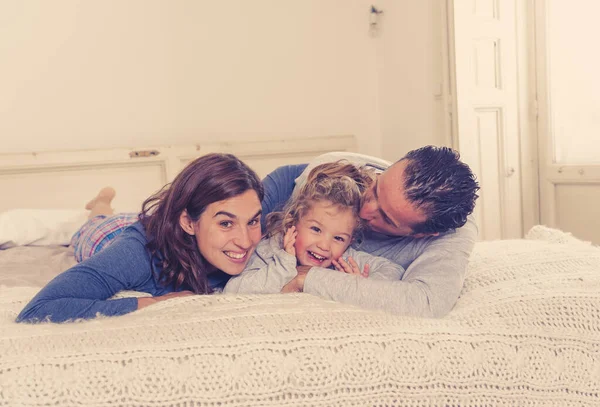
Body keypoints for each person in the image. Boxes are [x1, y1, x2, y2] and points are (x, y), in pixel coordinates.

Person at [16, 153, 264, 323]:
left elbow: (291, 176)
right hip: (109, 234)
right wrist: (155, 302)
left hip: (161, 222)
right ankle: (101, 202)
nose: (244, 241)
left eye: (253, 221)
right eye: (225, 223)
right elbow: (39, 308)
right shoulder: (135, 254)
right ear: (189, 222)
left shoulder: (249, 213)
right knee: (95, 222)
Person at [259, 146, 480, 318]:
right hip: (297, 185)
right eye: (375, 189)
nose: (364, 211)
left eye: (386, 217)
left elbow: (425, 303)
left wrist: (305, 277)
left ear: (422, 234)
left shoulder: (451, 238)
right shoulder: (338, 176)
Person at [224, 162, 403, 295]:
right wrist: (284, 265)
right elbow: (234, 290)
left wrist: (359, 285)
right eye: (316, 230)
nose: (324, 246)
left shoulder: (345, 260)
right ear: (292, 222)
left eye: (339, 238)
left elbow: (395, 271)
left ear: (350, 241)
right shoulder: (270, 250)